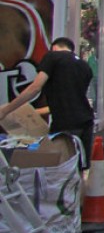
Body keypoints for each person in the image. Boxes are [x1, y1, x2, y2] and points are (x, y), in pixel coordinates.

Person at [0, 36, 95, 167]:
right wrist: (32, 113)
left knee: (59, 168)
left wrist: (5, 110)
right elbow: (70, 100)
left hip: (65, 125)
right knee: (80, 168)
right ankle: (83, 187)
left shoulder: (52, 57)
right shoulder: (85, 67)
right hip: (85, 122)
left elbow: (35, 87)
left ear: (54, 48)